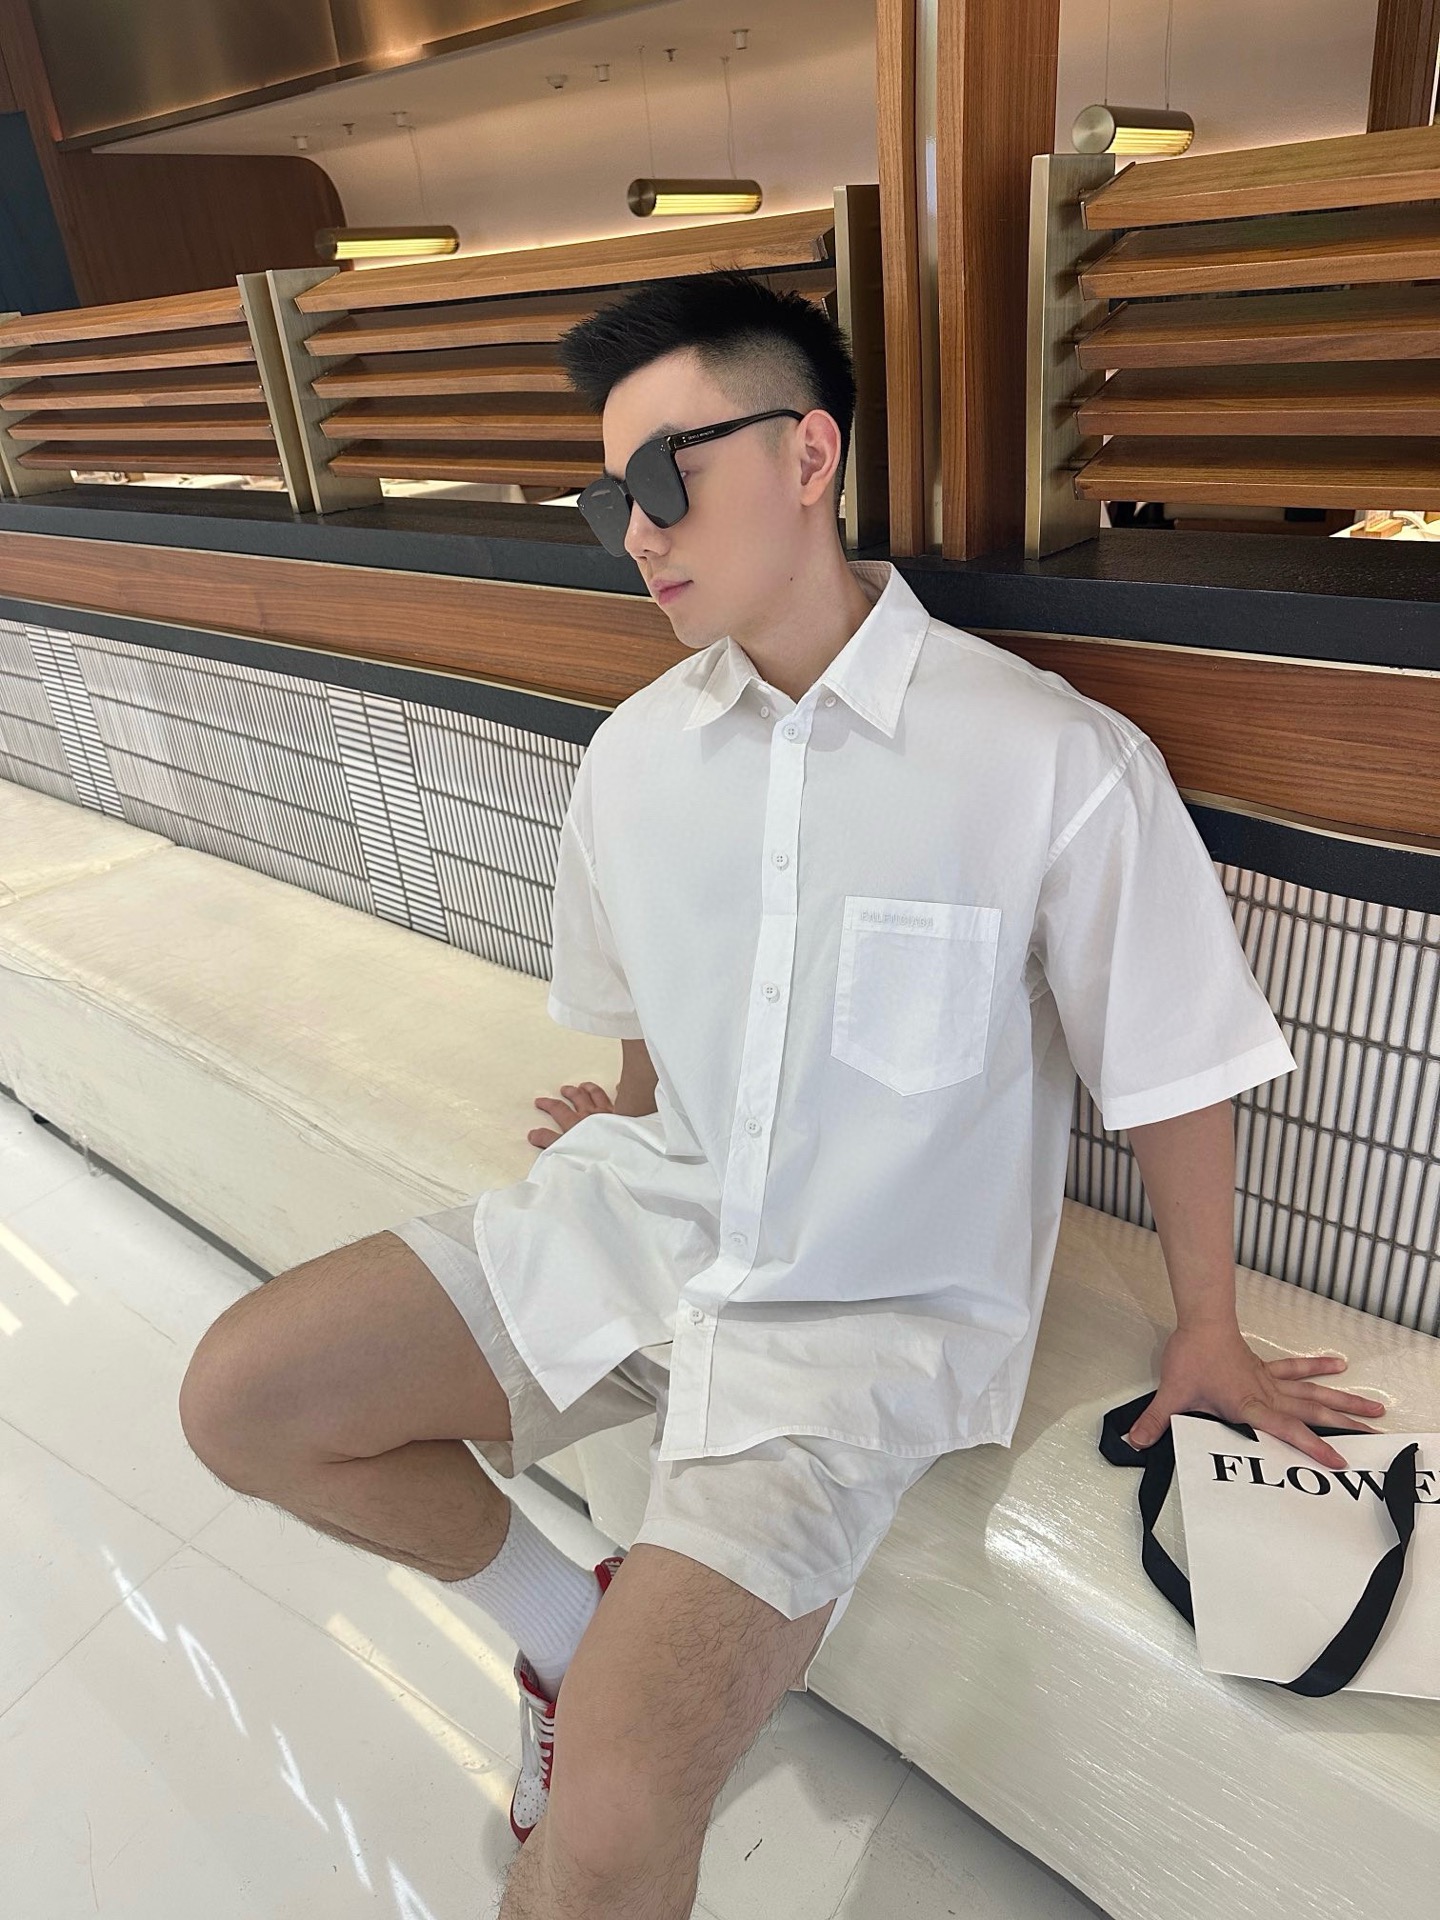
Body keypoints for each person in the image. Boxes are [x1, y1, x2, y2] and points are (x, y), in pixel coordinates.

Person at [177, 267, 1387, 1920]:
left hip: (858, 1323)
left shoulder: (1043, 756)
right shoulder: (636, 757)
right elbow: (653, 1039)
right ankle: (567, 1628)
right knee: (243, 1397)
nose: (636, 532)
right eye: (607, 499)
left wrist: (1210, 1326)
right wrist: (628, 1118)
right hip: (654, 1220)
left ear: (808, 455)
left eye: (664, 477)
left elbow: (1177, 1064)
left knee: (608, 1825)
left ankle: (598, 1700)